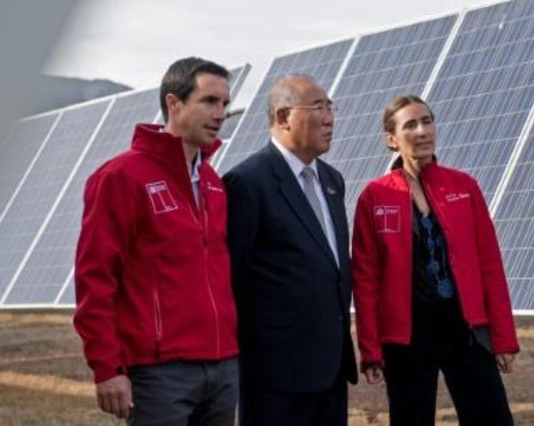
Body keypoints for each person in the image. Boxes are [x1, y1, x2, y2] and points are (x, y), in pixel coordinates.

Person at [74, 57, 239, 425]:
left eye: (225, 104)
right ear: (173, 103)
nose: (220, 114)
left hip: (222, 368)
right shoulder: (121, 177)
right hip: (160, 373)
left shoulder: (214, 183)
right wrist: (107, 367)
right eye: (209, 101)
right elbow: (95, 278)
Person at [351, 95, 519, 425]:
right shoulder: (375, 196)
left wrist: (503, 337)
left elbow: (489, 265)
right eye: (410, 125)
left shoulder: (464, 186)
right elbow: (366, 279)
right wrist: (370, 349)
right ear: (391, 139)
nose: (422, 131)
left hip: (466, 331)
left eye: (427, 121)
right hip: (407, 337)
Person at [223, 74, 357, 426]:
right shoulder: (247, 183)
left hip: (330, 370)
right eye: (318, 107)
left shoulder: (332, 181)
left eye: (331, 107)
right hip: (276, 376)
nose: (329, 118)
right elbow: (232, 282)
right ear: (283, 117)